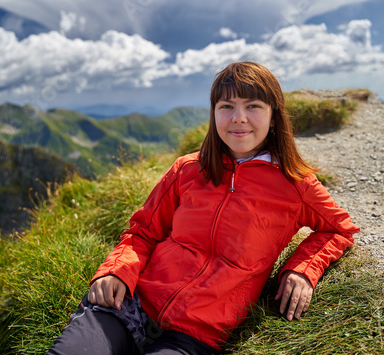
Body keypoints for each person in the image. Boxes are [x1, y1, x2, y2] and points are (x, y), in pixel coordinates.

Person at [47, 62, 360, 355]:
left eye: (253, 106)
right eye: (226, 107)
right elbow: (142, 232)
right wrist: (117, 270)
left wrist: (303, 270)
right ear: (214, 115)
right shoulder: (187, 169)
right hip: (131, 302)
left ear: (274, 117)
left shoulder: (296, 184)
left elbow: (340, 229)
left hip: (195, 332)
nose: (238, 117)